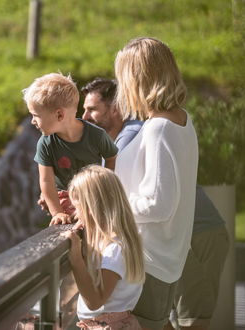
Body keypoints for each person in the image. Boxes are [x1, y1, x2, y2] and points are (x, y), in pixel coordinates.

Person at [81, 78, 229, 330]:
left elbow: (113, 193)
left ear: (115, 107)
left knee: (192, 321)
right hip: (171, 238)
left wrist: (85, 204)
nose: (84, 117)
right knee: (163, 320)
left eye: (92, 109)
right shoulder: (129, 136)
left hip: (197, 234)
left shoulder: (133, 136)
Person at [113, 37, 199, 330]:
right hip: (159, 263)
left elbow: (158, 204)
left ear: (137, 79)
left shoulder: (160, 128)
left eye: (122, 77)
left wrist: (108, 207)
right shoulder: (181, 121)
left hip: (146, 267)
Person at [22, 73, 118, 226]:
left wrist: (105, 185)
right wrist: (57, 212)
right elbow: (46, 181)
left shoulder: (96, 135)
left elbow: (111, 157)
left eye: (35, 115)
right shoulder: (45, 144)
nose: (33, 121)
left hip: (92, 194)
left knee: (97, 223)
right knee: (71, 230)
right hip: (65, 198)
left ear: (59, 114)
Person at [62, 165, 144, 330]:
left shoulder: (115, 250)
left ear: (91, 208)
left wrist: (76, 259)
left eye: (78, 208)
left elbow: (95, 301)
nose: (75, 215)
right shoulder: (112, 242)